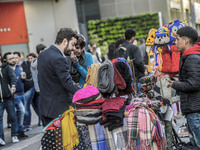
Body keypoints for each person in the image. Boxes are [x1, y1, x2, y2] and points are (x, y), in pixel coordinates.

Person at [37, 28, 80, 126]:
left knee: (53, 140)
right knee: (64, 141)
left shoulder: (43, 54)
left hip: (46, 108)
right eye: (73, 44)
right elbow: (67, 82)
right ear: (65, 41)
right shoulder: (58, 58)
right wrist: (83, 92)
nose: (74, 48)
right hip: (59, 111)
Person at [168, 26, 200, 148]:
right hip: (193, 108)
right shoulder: (190, 56)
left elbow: (194, 84)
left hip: (195, 110)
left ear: (186, 41)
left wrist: (174, 84)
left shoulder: (192, 58)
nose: (175, 42)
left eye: (178, 39)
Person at [3, 52, 28, 138]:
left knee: (21, 112)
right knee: (21, 111)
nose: (13, 60)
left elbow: (23, 79)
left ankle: (20, 130)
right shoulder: (6, 69)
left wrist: (23, 78)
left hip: (22, 93)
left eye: (14, 58)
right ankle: (19, 130)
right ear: (5, 60)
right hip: (14, 95)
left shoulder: (18, 67)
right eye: (10, 59)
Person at [0, 53, 19, 146]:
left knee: (13, 117)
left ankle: (14, 135)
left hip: (8, 97)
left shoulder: (6, 67)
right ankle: (1, 138)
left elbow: (13, 78)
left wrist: (13, 86)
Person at [13, 51, 35, 131]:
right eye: (13, 58)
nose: (14, 59)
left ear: (20, 58)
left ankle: (27, 124)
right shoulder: (14, 67)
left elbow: (28, 75)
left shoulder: (24, 65)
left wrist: (24, 77)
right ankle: (23, 124)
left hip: (29, 88)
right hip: (20, 91)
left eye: (16, 58)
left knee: (26, 107)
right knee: (22, 108)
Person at [31, 44, 47, 126]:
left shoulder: (34, 63)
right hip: (43, 88)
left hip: (40, 88)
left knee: (43, 107)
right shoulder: (40, 62)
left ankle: (43, 123)